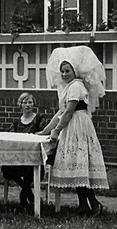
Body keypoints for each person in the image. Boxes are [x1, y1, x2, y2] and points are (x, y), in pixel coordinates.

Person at [43, 45, 109, 215]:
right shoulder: (68, 87)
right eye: (62, 71)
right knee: (75, 166)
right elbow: (60, 112)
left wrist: (56, 131)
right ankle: (83, 205)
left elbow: (69, 112)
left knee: (80, 165)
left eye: (67, 71)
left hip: (78, 126)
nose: (64, 74)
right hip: (71, 125)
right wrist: (46, 130)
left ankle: (95, 204)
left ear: (75, 70)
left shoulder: (76, 86)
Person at [2, 91, 49, 211]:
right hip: (19, 158)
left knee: (30, 168)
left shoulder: (39, 119)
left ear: (33, 104)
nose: (27, 105)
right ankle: (28, 193)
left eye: (30, 102)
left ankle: (24, 196)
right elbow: (11, 139)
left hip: (34, 158)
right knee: (6, 168)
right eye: (25, 102)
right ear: (20, 105)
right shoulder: (16, 123)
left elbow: (44, 136)